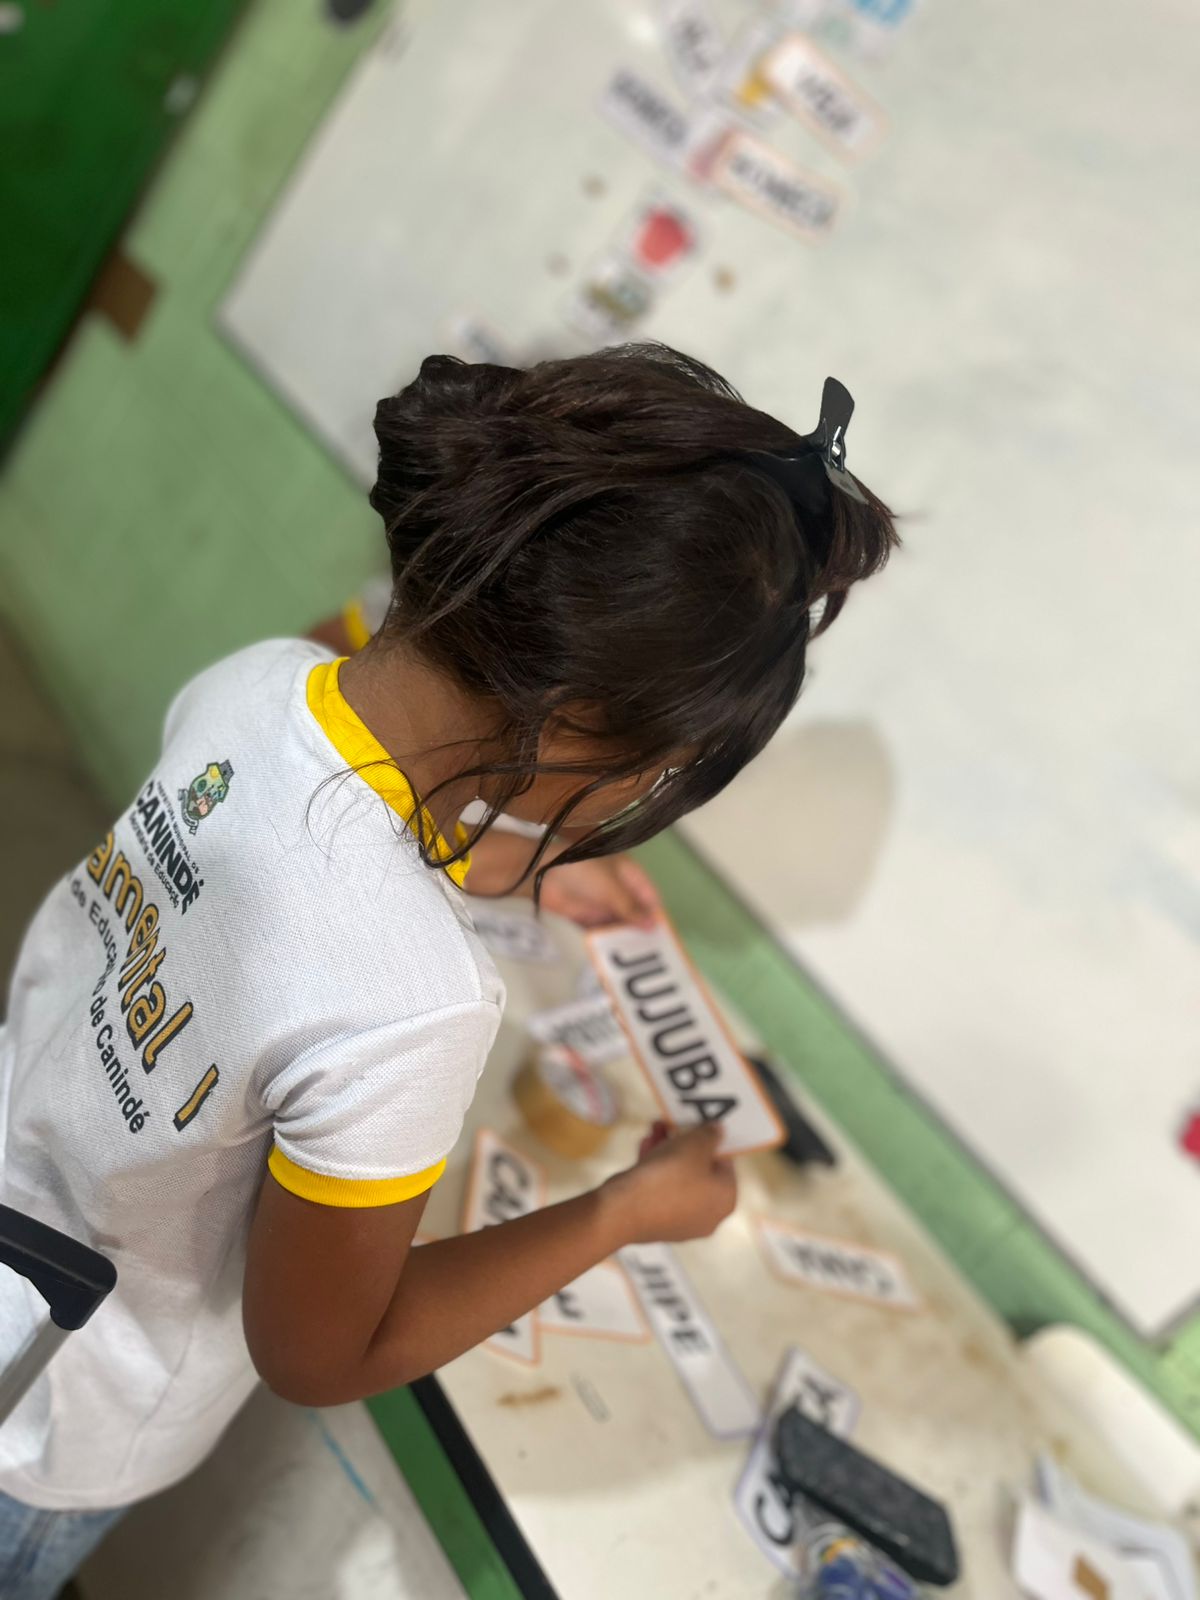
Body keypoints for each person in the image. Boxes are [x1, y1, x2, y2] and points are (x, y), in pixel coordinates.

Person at [0, 344, 896, 1598]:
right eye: (663, 769)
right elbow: (323, 1351)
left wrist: (508, 852)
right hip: (54, 1413)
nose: (649, 794)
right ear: (583, 725)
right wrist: (622, 1212)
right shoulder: (417, 1002)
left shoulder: (261, 680)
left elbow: (325, 806)